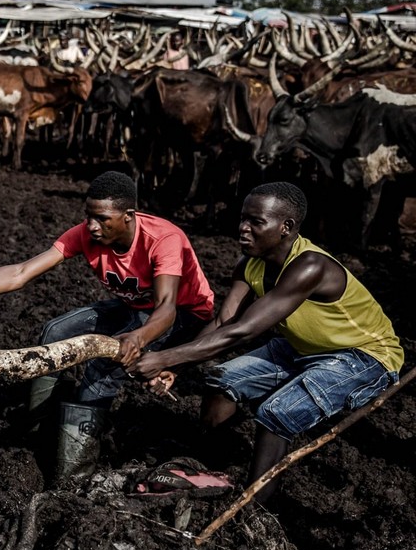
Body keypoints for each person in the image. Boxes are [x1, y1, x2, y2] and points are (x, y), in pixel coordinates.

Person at [0, 171, 215, 480]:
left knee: (102, 369)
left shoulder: (163, 239)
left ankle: (74, 475)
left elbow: (167, 308)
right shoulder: (86, 234)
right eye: (88, 216)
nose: (92, 226)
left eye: (102, 219)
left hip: (185, 315)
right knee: (56, 331)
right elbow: (20, 272)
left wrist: (139, 338)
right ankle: (38, 434)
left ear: (129, 216)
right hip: (136, 306)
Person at [134, 182, 403, 499]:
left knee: (278, 413)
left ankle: (257, 509)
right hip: (303, 348)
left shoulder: (310, 266)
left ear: (286, 227)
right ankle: (210, 469)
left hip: (363, 357)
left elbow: (243, 331)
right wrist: (177, 367)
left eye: (255, 222)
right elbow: (224, 322)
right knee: (220, 381)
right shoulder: (250, 264)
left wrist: (165, 357)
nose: (243, 229)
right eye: (242, 219)